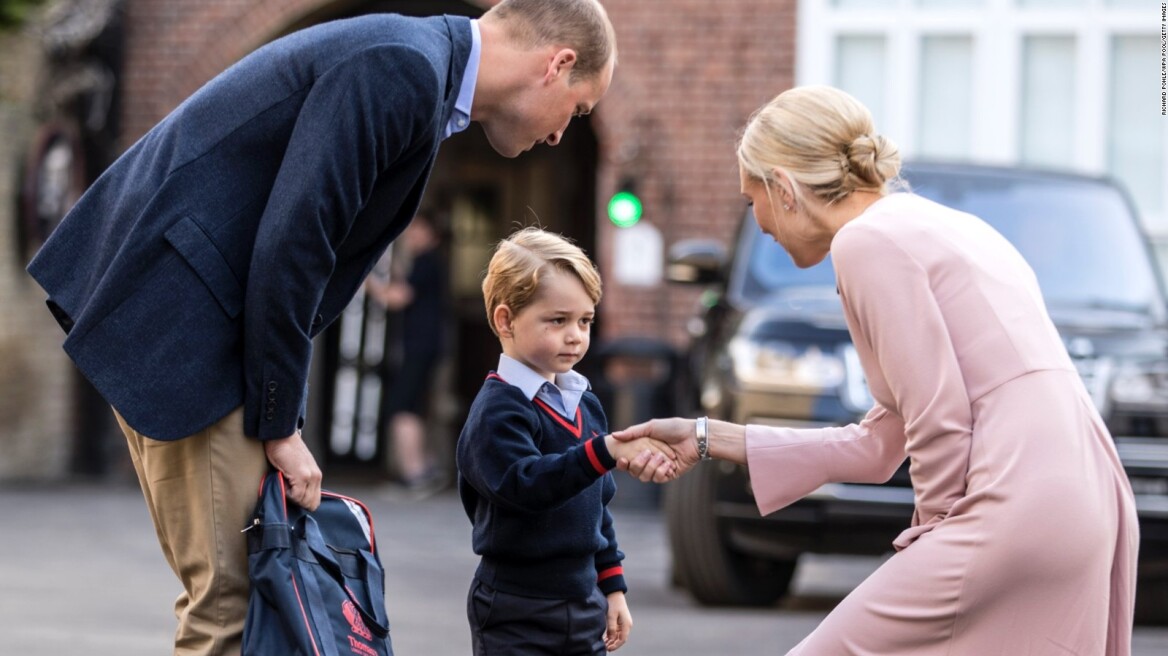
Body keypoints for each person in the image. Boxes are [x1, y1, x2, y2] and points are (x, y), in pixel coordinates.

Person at [24, 1, 617, 653]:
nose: (564, 134)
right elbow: (293, 243)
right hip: (192, 334)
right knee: (234, 605)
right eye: (580, 108)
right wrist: (281, 422)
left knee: (236, 598)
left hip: (178, 319)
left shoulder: (415, 62)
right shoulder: (404, 68)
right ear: (557, 65)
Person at [614, 85, 1139, 654]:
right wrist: (706, 436)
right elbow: (881, 441)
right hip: (1085, 499)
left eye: (751, 200)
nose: (758, 221)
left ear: (784, 188)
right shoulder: (945, 226)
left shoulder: (867, 244)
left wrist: (929, 540)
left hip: (1010, 507)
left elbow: (938, 420)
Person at [456, 227, 675, 655]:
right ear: (506, 320)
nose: (575, 335)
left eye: (585, 321)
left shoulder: (584, 402)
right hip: (515, 606)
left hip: (584, 601)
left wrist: (612, 588)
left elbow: (596, 508)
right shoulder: (497, 410)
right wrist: (604, 451)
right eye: (557, 320)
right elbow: (526, 486)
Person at [365, 212, 449, 495]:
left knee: (401, 405)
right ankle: (421, 469)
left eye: (416, 229)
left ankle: (414, 474)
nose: (409, 235)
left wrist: (363, 279)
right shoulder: (426, 262)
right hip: (424, 346)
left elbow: (396, 298)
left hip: (419, 345)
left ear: (430, 234)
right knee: (411, 405)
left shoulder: (427, 261)